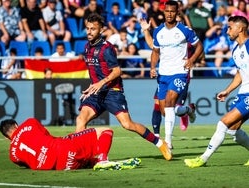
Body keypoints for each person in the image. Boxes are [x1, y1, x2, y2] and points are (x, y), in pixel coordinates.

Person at [75, 13, 172, 162]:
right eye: (87, 28)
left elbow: (117, 71)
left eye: (93, 29)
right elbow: (96, 72)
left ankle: (160, 143)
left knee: (128, 124)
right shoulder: (87, 47)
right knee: (80, 120)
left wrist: (101, 83)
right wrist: (92, 86)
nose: (89, 32)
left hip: (112, 92)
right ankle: (79, 157)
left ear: (101, 30)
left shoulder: (107, 48)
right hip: (96, 92)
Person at [184, 15, 249, 168]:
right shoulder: (235, 50)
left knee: (222, 124)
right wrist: (227, 91)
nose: (227, 31)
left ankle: (203, 159)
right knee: (233, 132)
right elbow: (240, 74)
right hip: (243, 93)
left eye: (230, 27)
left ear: (240, 29)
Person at [150, 1, 203, 149]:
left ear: (177, 13)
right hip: (163, 74)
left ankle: (168, 142)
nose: (169, 14)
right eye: (167, 11)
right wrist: (153, 67)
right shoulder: (158, 31)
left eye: (172, 11)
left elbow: (199, 46)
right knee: (166, 112)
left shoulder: (185, 30)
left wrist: (192, 60)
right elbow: (155, 51)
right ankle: (188, 110)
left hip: (180, 72)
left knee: (169, 103)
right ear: (164, 12)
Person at [0, 117, 141, 170]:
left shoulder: (13, 156)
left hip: (62, 167)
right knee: (105, 131)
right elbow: (47, 136)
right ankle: (102, 159)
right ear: (17, 125)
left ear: (7, 138)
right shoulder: (29, 122)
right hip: (65, 149)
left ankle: (93, 160)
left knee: (82, 155)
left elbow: (27, 163)